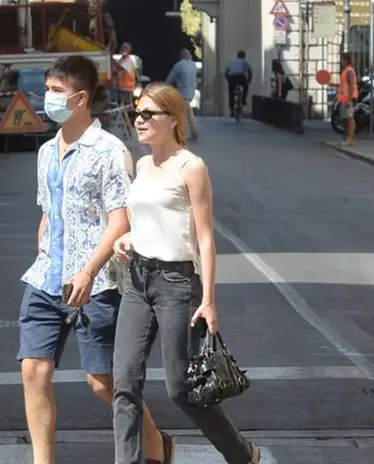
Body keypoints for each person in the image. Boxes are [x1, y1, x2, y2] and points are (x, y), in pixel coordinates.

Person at [17, 55, 169, 464]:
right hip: (47, 278)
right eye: (46, 90)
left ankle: (156, 445)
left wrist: (87, 270)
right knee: (33, 370)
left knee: (103, 382)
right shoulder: (46, 152)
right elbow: (49, 212)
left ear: (80, 98)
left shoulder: (110, 151)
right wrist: (45, 246)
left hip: (98, 282)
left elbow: (120, 221)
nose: (46, 98)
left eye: (55, 91)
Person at [111, 82, 261, 464]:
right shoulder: (142, 165)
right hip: (137, 281)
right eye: (136, 112)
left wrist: (209, 300)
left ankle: (242, 455)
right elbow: (147, 219)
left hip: (178, 284)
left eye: (148, 114)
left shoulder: (191, 167)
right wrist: (129, 236)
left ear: (173, 120)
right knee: (124, 384)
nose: (138, 120)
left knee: (181, 388)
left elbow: (206, 240)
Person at [166, 48, 200, 141]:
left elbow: (170, 78)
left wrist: (165, 87)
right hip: (191, 92)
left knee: (183, 114)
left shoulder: (179, 65)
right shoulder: (193, 65)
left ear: (181, 56)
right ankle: (191, 133)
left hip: (182, 93)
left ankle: (186, 134)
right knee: (186, 112)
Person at [337, 52, 359, 146]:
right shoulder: (345, 70)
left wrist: (349, 99)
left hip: (347, 99)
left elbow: (352, 86)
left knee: (349, 119)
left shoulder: (349, 71)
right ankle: (347, 138)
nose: (340, 61)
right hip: (343, 98)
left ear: (346, 60)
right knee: (346, 119)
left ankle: (350, 139)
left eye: (342, 59)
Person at [225, 50, 253, 117]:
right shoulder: (245, 62)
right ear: (244, 56)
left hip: (231, 77)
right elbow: (250, 72)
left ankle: (232, 110)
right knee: (246, 87)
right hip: (240, 77)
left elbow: (226, 72)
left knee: (231, 93)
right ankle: (243, 100)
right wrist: (249, 80)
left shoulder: (232, 61)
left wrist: (228, 80)